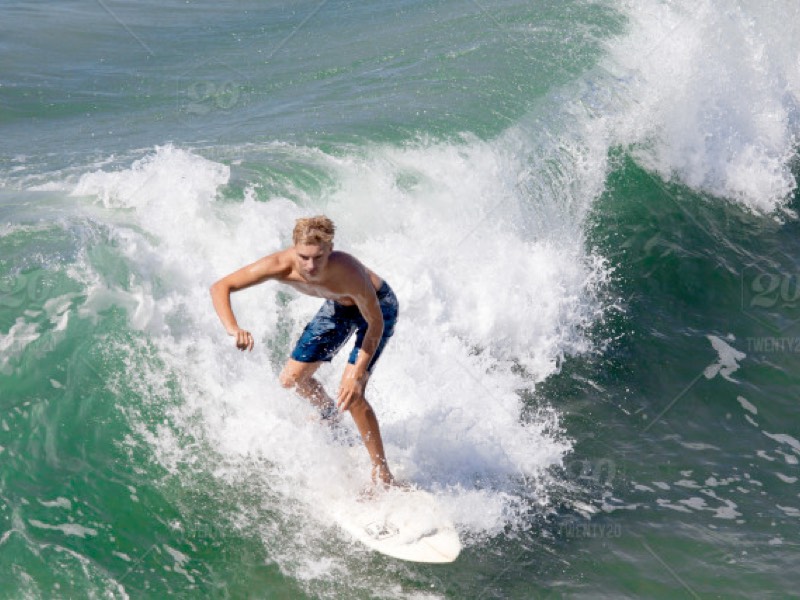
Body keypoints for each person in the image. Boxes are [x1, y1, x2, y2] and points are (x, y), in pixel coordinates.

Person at [210, 215, 398, 487]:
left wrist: (357, 373)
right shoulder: (278, 265)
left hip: (378, 309)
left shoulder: (349, 274)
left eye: (318, 258)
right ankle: (329, 416)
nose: (310, 266)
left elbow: (376, 322)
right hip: (338, 306)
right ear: (293, 248)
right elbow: (220, 287)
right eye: (303, 257)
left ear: (330, 250)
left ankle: (383, 475)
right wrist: (233, 327)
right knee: (291, 379)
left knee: (352, 393)